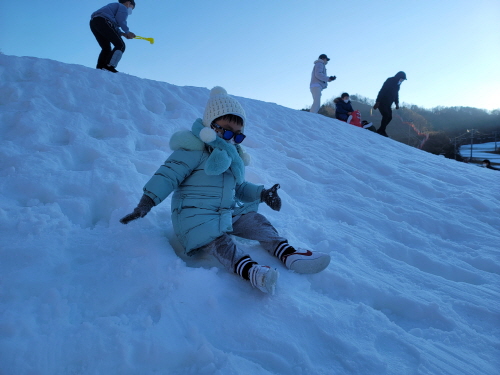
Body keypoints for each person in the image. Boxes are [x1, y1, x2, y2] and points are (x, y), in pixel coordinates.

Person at [120, 86, 331, 294]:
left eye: (238, 136)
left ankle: (287, 252)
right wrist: (147, 201)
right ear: (210, 125)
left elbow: (239, 187)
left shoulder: (231, 157)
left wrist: (262, 194)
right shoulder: (192, 150)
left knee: (256, 220)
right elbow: (167, 175)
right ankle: (251, 271)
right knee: (221, 243)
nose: (231, 139)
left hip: (224, 213)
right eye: (227, 131)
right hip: (195, 219)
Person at [90, 0, 136, 73]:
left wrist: (123, 34)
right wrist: (127, 31)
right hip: (104, 21)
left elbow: (113, 26)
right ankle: (109, 66)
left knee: (106, 48)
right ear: (128, 3)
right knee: (120, 45)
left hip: (94, 23)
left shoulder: (112, 8)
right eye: (131, 8)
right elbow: (121, 20)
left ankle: (100, 68)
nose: (130, 10)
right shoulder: (123, 7)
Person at [372, 71, 407, 137]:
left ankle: (380, 130)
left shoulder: (398, 85)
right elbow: (382, 91)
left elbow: (396, 95)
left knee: (389, 117)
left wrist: (396, 103)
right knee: (386, 115)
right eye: (402, 79)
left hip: (388, 104)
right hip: (382, 102)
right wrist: (377, 102)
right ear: (398, 77)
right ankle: (382, 131)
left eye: (403, 80)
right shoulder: (390, 80)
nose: (402, 81)